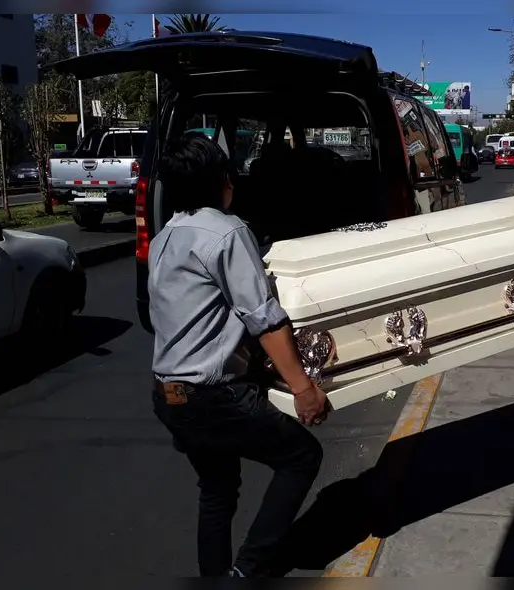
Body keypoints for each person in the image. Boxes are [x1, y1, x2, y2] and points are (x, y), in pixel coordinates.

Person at [148, 132, 330, 578]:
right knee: (301, 457)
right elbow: (264, 318)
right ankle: (249, 571)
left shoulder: (164, 237)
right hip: (211, 398)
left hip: (168, 395)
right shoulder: (228, 232)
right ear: (218, 178)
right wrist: (304, 387)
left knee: (217, 489)